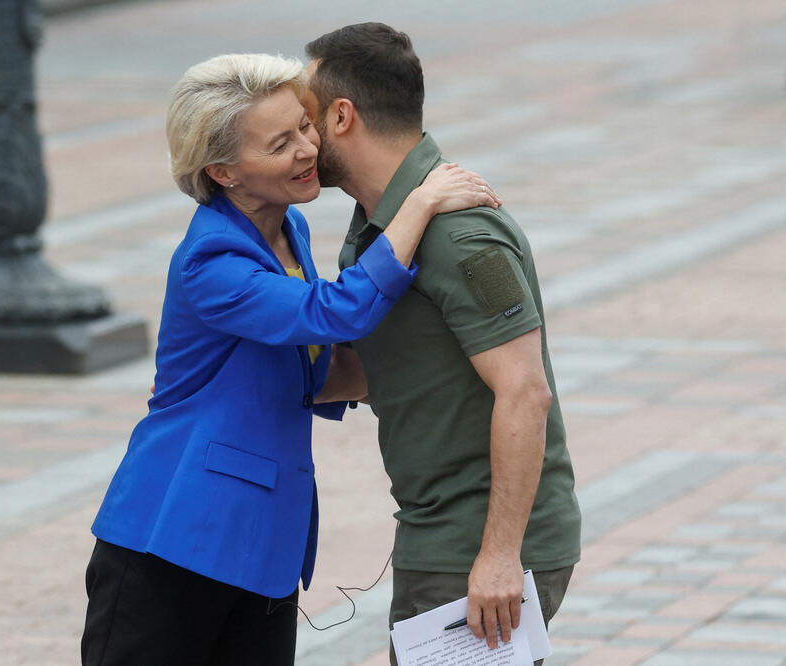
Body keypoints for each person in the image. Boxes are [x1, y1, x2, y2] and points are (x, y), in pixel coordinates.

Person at [81, 52, 500, 665]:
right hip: (173, 538)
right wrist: (419, 202)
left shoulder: (288, 232)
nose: (309, 148)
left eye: (305, 126)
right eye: (281, 143)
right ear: (223, 171)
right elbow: (334, 314)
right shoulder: (212, 262)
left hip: (261, 544)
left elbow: (310, 368)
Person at [302, 23, 582, 665]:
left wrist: (500, 555)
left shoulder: (460, 235)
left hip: (477, 546)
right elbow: (384, 367)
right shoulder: (381, 223)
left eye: (307, 117)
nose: (300, 137)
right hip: (439, 532)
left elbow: (525, 390)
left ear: (342, 116)